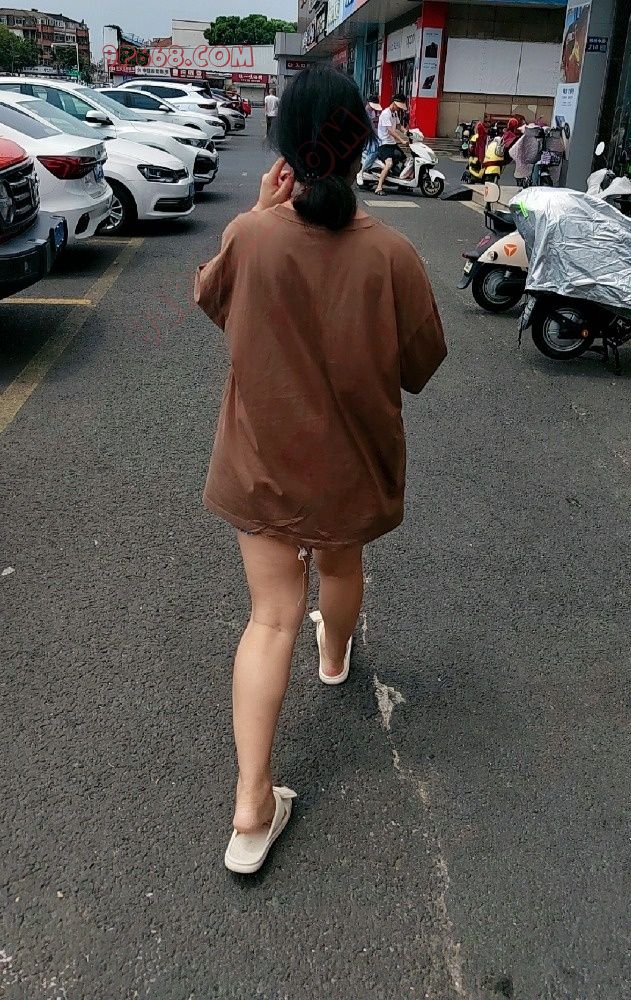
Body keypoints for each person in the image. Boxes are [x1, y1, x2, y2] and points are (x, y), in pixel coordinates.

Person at [195, 65, 447, 875]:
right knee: (340, 567)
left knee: (270, 617)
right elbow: (421, 366)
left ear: (286, 149)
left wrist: (255, 214)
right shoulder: (393, 255)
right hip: (348, 469)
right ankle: (334, 660)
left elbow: (213, 301)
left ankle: (251, 804)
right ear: (361, 144)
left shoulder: (252, 236)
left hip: (262, 462)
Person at [374, 93, 409, 195]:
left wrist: (407, 132)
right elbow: (391, 131)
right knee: (389, 164)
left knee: (406, 160)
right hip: (384, 144)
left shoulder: (394, 113)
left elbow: (398, 126)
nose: (400, 108)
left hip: (392, 143)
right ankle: (379, 187)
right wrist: (402, 140)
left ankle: (402, 184)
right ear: (394, 103)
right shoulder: (386, 114)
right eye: (399, 106)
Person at [362, 93, 382, 173]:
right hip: (368, 135)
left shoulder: (372, 111)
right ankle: (363, 170)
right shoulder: (365, 111)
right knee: (374, 151)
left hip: (373, 134)